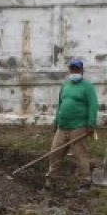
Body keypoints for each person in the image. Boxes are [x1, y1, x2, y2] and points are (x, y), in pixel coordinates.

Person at [45, 59, 98, 190]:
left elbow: (93, 106)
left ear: (81, 71)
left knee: (80, 155)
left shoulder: (87, 87)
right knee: (55, 153)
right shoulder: (65, 85)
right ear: (69, 70)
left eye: (77, 69)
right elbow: (60, 104)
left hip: (78, 126)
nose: (74, 71)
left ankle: (84, 181)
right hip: (62, 127)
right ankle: (51, 179)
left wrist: (91, 124)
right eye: (72, 69)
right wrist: (56, 121)